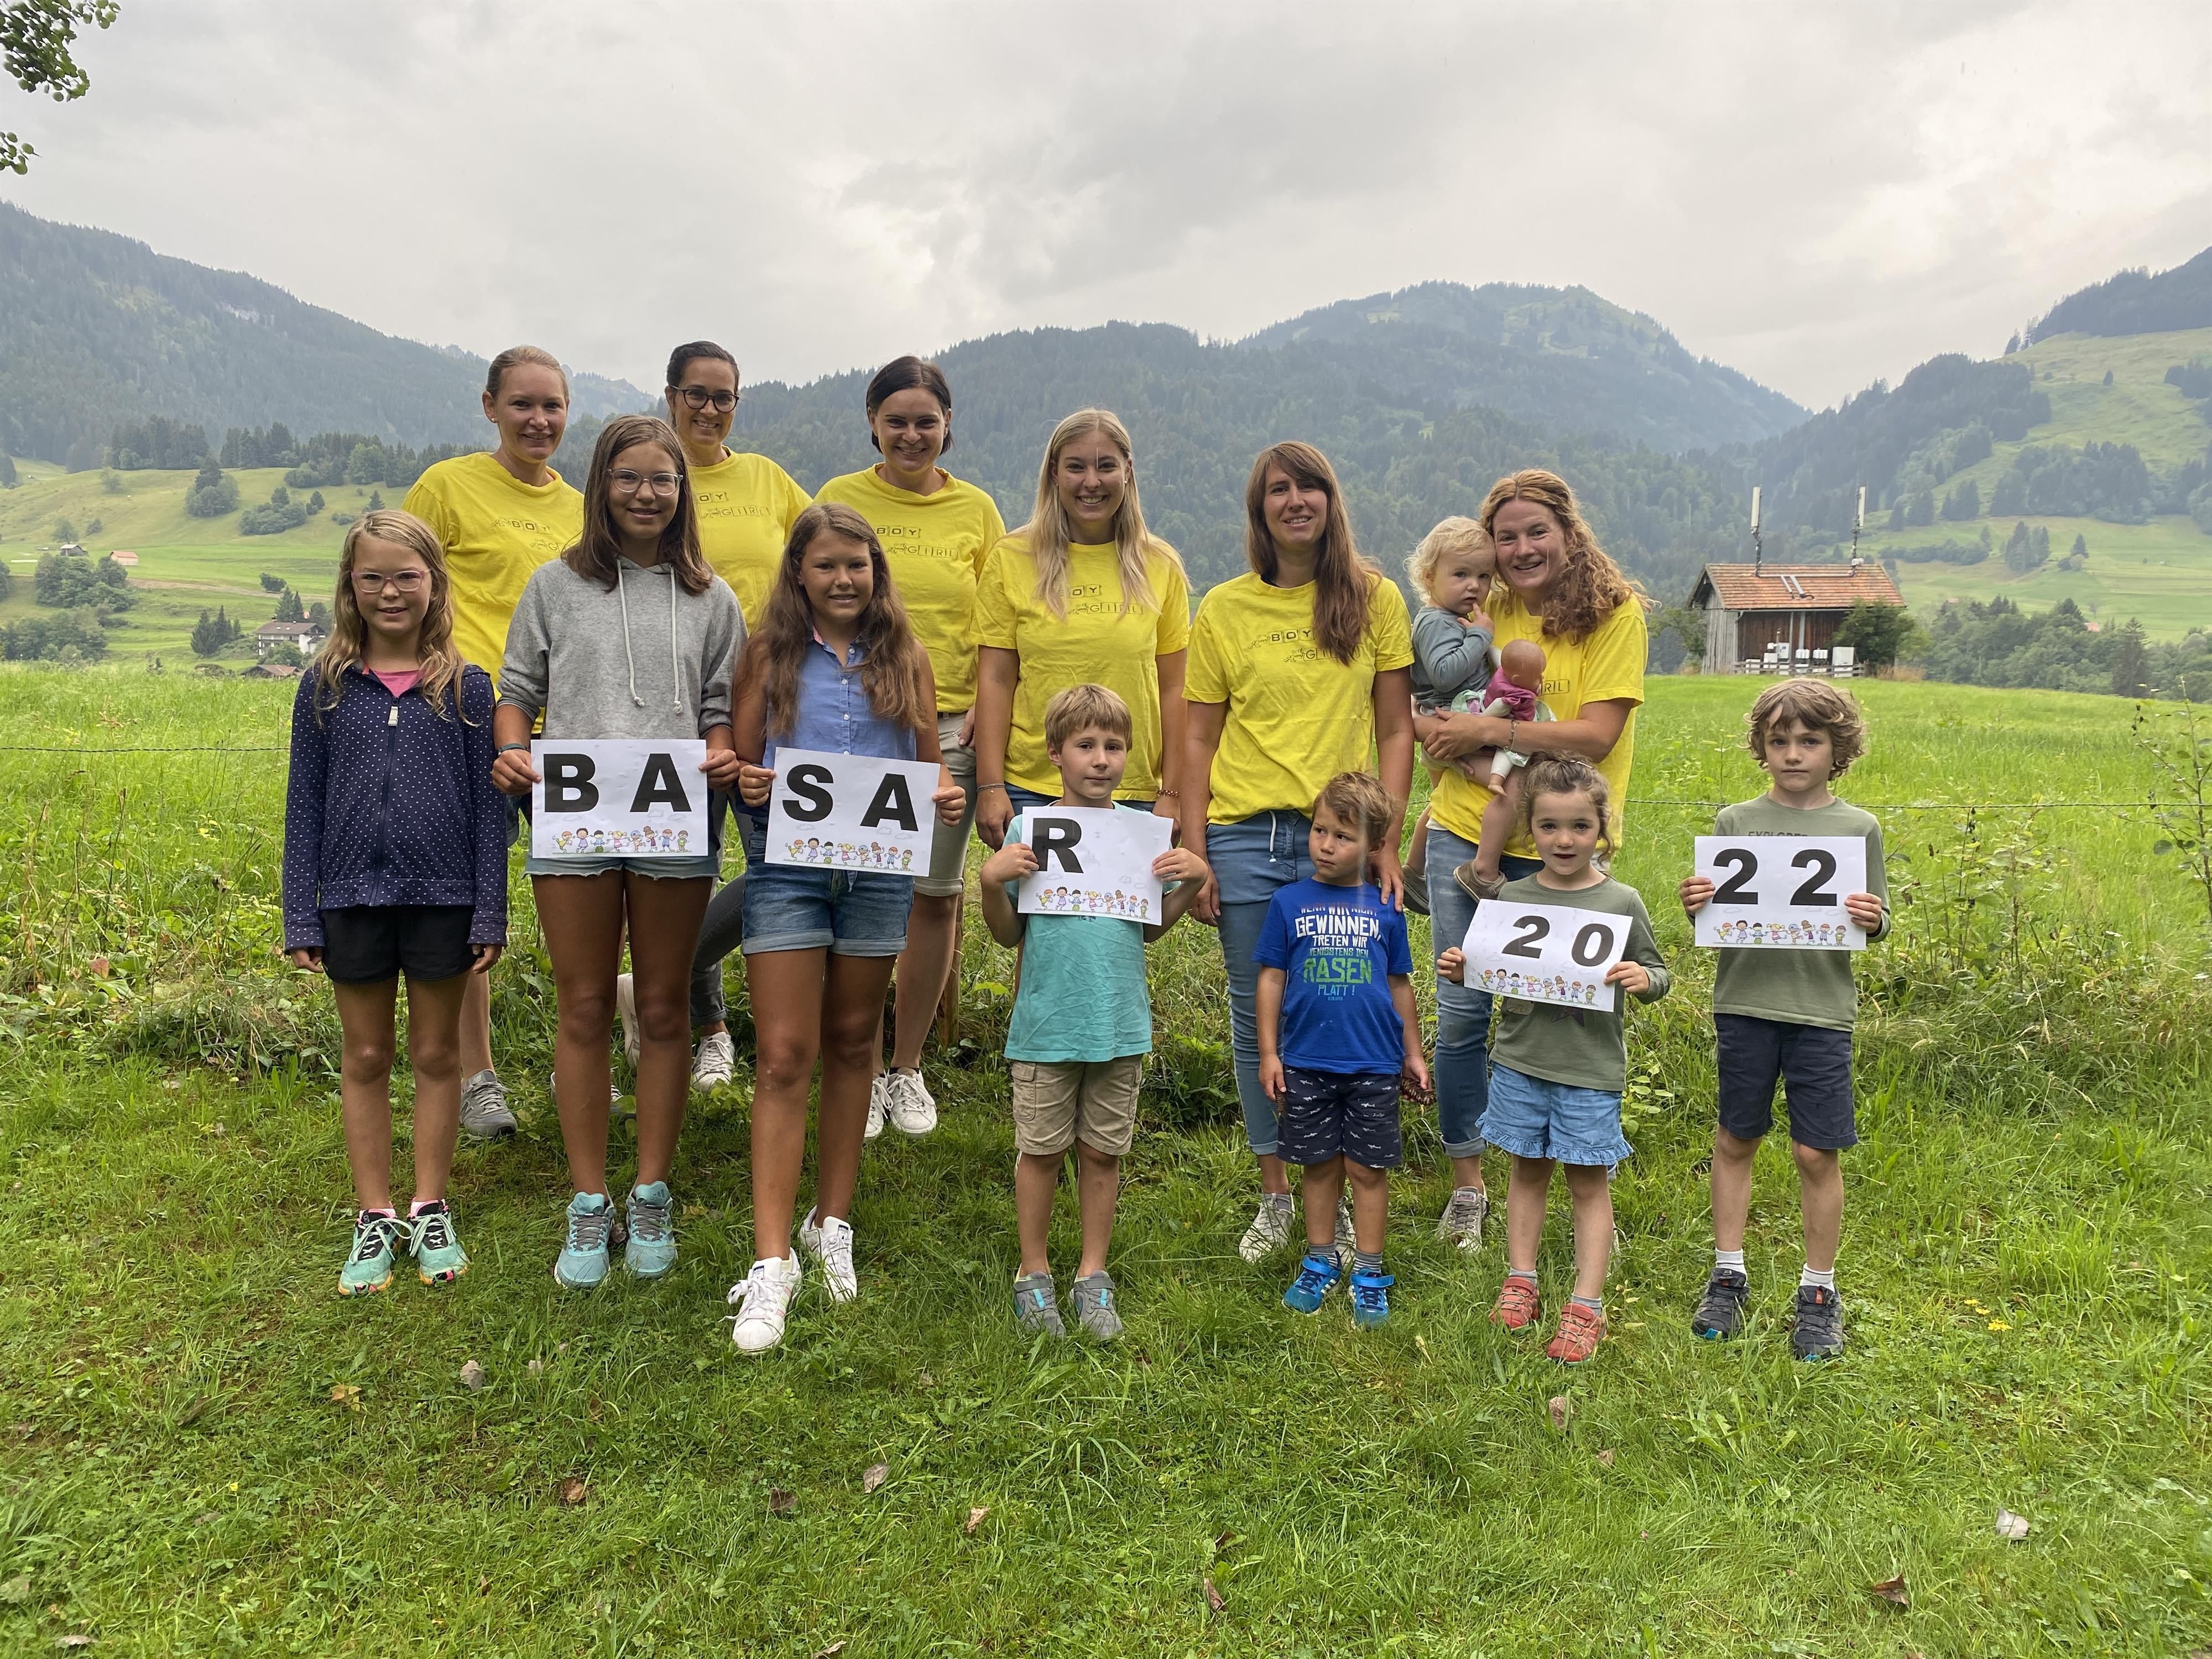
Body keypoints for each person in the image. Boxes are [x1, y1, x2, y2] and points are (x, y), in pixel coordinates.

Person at [491, 415, 742, 1291]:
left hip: (675, 820)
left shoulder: (713, 598)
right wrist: (512, 749)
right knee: (586, 1005)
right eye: (628, 477)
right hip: (575, 820)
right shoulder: (554, 586)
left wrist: (721, 750)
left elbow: (721, 707)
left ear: (683, 492)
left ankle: (652, 1192)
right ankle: (589, 1198)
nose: (646, 494)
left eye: (662, 480)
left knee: (665, 1005)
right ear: (601, 484)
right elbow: (517, 690)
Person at [724, 503, 965, 1354]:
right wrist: (750, 781)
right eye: (826, 565)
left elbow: (930, 767)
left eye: (857, 565)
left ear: (877, 572)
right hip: (788, 874)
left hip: (878, 875)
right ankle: (771, 1259)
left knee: (856, 1040)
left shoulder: (907, 656)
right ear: (799, 572)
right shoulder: (769, 654)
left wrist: (946, 795)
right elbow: (741, 763)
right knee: (785, 1053)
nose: (843, 579)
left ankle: (832, 1221)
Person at [1182, 441, 1414, 1264]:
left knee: (1346, 1005)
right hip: (1246, 837)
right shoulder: (1224, 608)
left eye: (1310, 486)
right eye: (1278, 489)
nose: (1295, 501)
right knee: (1259, 1017)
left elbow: (1395, 728)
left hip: (1343, 840)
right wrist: (1196, 847)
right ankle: (1276, 1194)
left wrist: (1384, 839)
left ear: (1331, 500)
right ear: (1260, 510)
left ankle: (1339, 1195)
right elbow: (1198, 736)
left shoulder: (1375, 599)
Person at [1413, 469, 1646, 1255]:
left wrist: (1492, 734)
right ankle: (1469, 1187)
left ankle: (1583, 1191)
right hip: (1466, 833)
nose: (1519, 550)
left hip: (1565, 852)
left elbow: (1596, 736)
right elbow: (1428, 702)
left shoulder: (1613, 614)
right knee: (1465, 1016)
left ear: (1569, 533)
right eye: (1505, 537)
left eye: (1535, 532)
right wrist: (1448, 735)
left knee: (1567, 1022)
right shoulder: (1481, 602)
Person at [281, 510, 507, 1295]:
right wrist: (301, 913)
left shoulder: (468, 688)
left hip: (444, 899)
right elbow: (303, 806)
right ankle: (375, 1214)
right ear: (350, 585)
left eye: (406, 576)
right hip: (350, 899)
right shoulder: (325, 688)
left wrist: (489, 910)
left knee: (438, 1055)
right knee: (367, 1056)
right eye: (372, 577)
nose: (390, 592)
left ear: (434, 584)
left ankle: (430, 1205)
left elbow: (490, 814)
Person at [978, 685, 1210, 1342]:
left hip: (1118, 1023)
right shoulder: (1027, 831)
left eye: (1114, 746)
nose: (1101, 759)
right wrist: (991, 881)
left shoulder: (1139, 837)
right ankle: (1032, 1273)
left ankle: (1092, 1274)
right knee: (1040, 1152)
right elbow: (1007, 934)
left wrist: (1190, 882)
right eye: (1085, 745)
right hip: (1046, 1023)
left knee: (1103, 1152)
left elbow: (1149, 930)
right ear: (1055, 753)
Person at [816, 357, 1006, 1138]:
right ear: (872, 423)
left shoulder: (977, 511)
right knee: (850, 892)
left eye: (926, 421)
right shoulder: (839, 498)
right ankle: (856, 1067)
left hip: (952, 725)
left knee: (934, 897)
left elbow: (996, 628)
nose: (911, 435)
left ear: (947, 425)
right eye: (896, 421)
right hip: (853, 728)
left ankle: (907, 1068)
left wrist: (986, 718)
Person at [617, 340, 813, 1095]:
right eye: (695, 393)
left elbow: (821, 553)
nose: (708, 408)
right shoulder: (647, 479)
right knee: (685, 869)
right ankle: (709, 1032)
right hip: (670, 708)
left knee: (777, 865)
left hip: (771, 704)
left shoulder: (766, 478)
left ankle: (657, 986)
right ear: (670, 396)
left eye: (723, 396)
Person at [405, 345, 585, 1140]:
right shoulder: (446, 487)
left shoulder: (582, 507)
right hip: (462, 720)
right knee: (465, 900)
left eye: (552, 406)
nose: (538, 420)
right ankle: (476, 1076)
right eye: (522, 404)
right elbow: (402, 586)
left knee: (582, 900)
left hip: (564, 731)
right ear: (489, 408)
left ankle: (577, 1063)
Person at [1679, 679, 1889, 1361]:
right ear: (1761, 748)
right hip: (1744, 1003)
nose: (1793, 754)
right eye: (1779, 741)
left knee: (1814, 1151)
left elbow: (1878, 916)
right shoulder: (1734, 822)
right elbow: (1715, 912)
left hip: (1821, 1010)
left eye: (1809, 741)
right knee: (1736, 1136)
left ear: (1837, 749)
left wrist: (1873, 918)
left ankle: (1819, 1290)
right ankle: (1727, 1273)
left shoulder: (1858, 828)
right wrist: (1696, 901)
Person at [1436, 757, 1668, 1366]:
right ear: (1530, 829)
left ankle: (1586, 1305)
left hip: (1589, 1070)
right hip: (1520, 1061)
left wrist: (1644, 979)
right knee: (1527, 1169)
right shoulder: (1512, 896)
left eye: (1579, 826)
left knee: (1588, 1181)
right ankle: (1521, 1280)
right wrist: (1464, 968)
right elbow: (1493, 971)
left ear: (1602, 829)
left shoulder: (1621, 900)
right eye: (1549, 826)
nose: (1564, 840)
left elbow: (1658, 971)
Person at [1256, 773, 1430, 1329]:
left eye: (1343, 836)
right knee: (1318, 1166)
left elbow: (1400, 983)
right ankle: (1320, 1260)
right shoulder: (1287, 903)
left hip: (1374, 1063)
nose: (1326, 845)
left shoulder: (1386, 906)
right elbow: (1270, 979)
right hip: (1306, 1061)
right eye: (1320, 830)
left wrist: (1413, 1053)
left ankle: (1370, 1273)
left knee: (1367, 1169)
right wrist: (1269, 1053)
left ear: (1375, 846)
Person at [974, 410, 1188, 847]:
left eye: (1106, 466)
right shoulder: (1011, 557)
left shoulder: (1160, 564)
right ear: (1054, 473)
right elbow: (995, 679)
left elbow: (1174, 688)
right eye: (1076, 467)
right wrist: (990, 785)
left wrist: (1173, 792)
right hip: (1031, 787)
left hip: (1132, 791)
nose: (1092, 482)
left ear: (1128, 471)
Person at [1401, 516, 1496, 915]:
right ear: (1429, 577)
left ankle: (1414, 871)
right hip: (1451, 722)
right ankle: (1481, 870)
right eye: (1461, 574)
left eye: (1483, 576)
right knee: (1505, 785)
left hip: (1455, 719)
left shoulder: (1446, 619)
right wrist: (1481, 636)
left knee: (1444, 800)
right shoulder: (1434, 622)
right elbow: (1444, 673)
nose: (1474, 586)